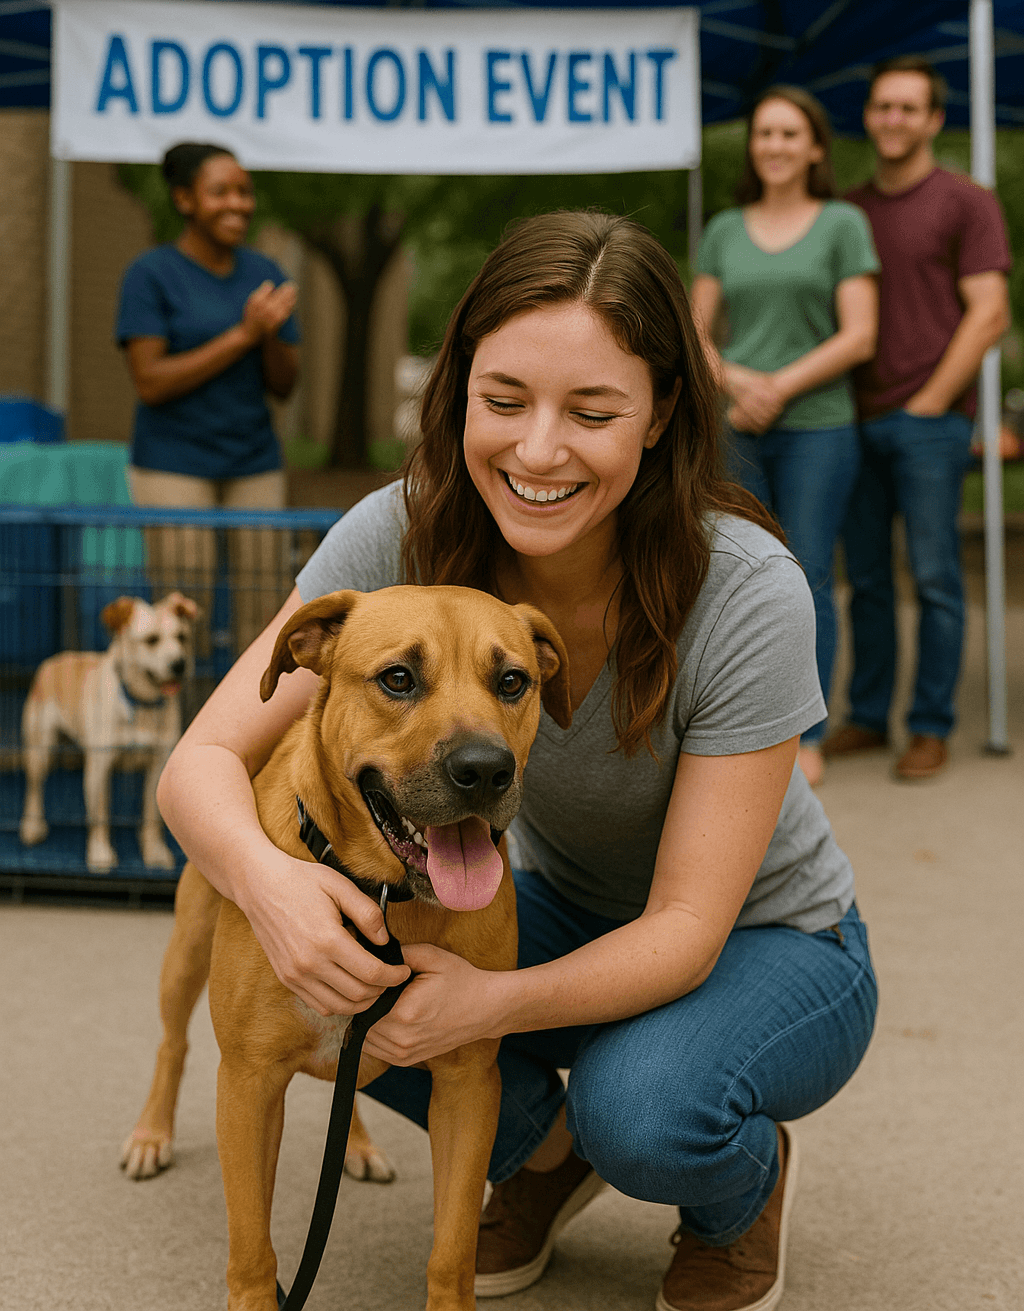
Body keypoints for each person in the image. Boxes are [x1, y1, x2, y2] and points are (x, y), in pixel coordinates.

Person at [157, 212, 877, 1311]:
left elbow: (685, 927)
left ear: (661, 411)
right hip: (553, 899)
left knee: (639, 1110)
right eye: (504, 403)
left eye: (592, 412)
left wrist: (483, 1008)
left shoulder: (748, 590)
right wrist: (276, 891)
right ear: (457, 396)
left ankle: (736, 1186)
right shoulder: (394, 537)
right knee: (361, 960)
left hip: (762, 938)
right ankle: (539, 1162)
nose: (538, 452)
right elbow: (199, 759)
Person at [824, 57, 1012, 780]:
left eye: (908, 108)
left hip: (928, 422)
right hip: (849, 419)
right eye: (882, 107)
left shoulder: (967, 202)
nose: (893, 120)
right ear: (868, 116)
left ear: (934, 119)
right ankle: (870, 717)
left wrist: (933, 399)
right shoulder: (849, 209)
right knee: (866, 577)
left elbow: (989, 312)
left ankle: (930, 725)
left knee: (934, 576)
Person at [690, 87, 879, 786]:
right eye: (764, 133)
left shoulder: (842, 224)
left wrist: (780, 385)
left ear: (816, 148)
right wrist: (742, 384)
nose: (774, 145)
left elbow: (861, 334)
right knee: (737, 573)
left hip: (820, 427)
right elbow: (696, 334)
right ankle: (736, 725)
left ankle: (807, 735)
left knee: (807, 577)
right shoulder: (724, 229)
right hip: (739, 426)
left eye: (789, 133)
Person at [115, 142, 301, 646]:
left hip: (253, 461)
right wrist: (242, 334)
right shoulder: (151, 275)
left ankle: (260, 725)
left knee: (266, 616)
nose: (239, 203)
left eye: (244, 192)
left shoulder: (265, 273)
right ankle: (191, 723)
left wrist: (269, 335)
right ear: (184, 200)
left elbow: (284, 385)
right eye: (221, 192)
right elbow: (150, 381)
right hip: (173, 464)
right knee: (184, 615)